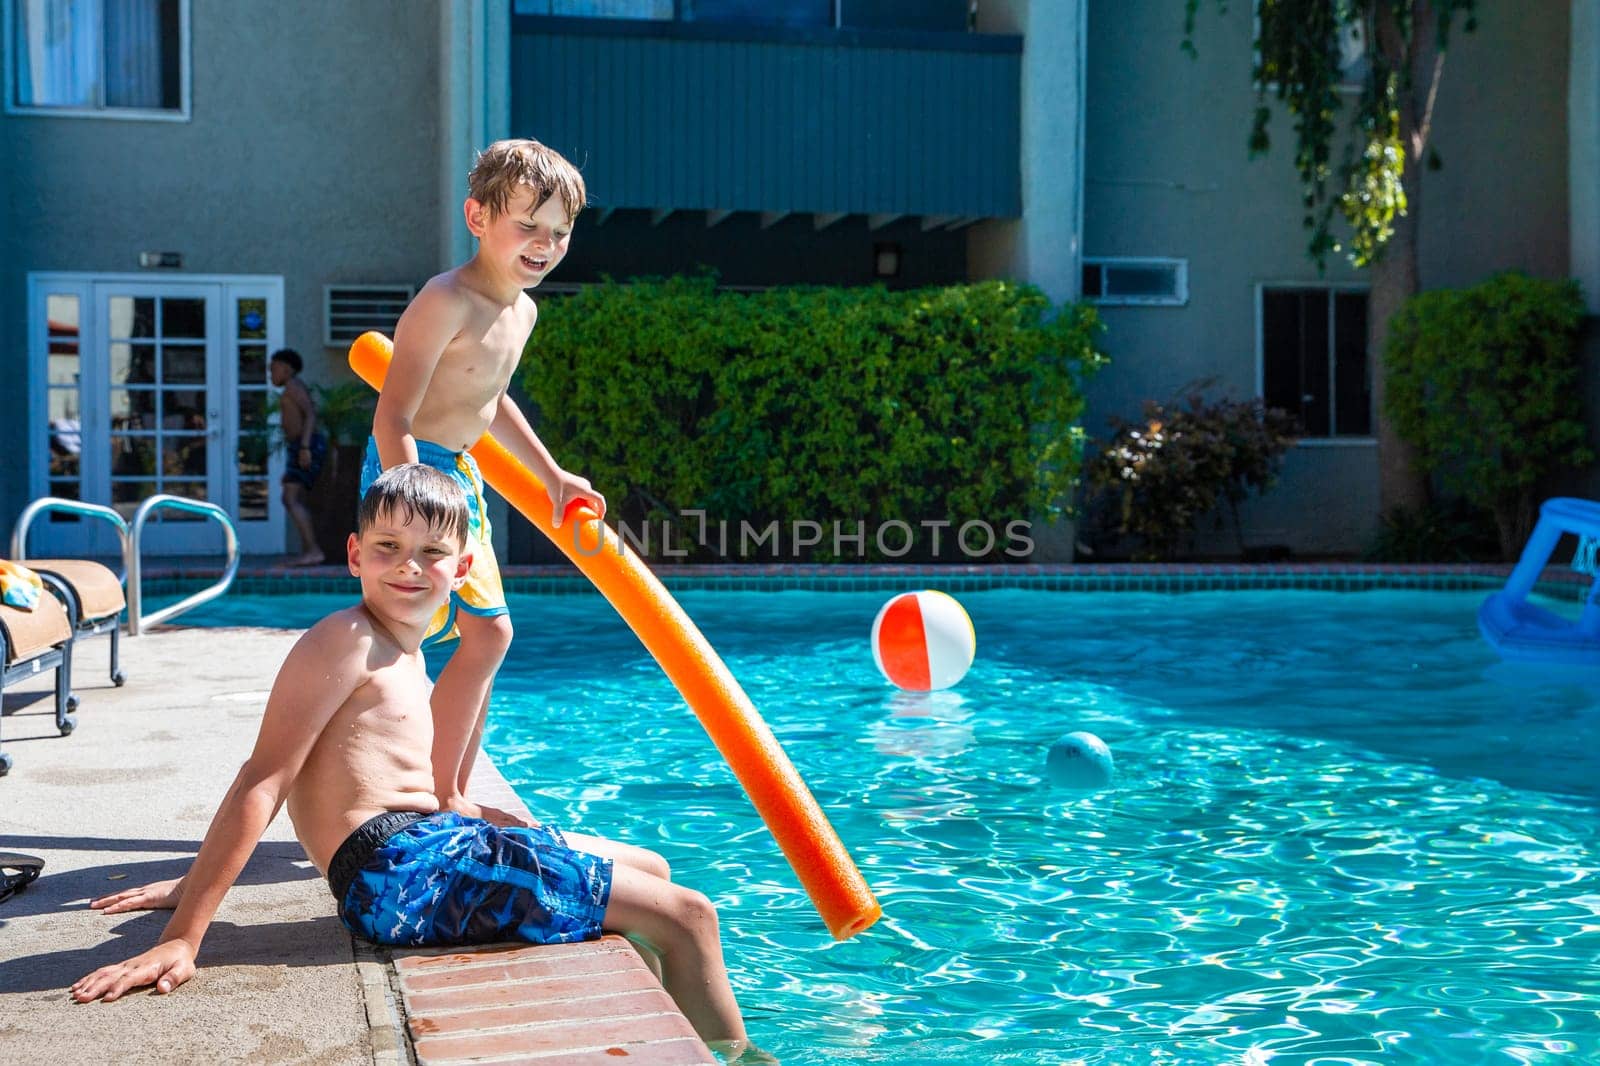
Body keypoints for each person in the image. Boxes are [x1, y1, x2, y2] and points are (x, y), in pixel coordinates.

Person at [70, 465, 757, 1059]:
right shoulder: (344, 640)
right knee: (689, 915)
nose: (408, 566)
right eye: (388, 547)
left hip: (424, 851)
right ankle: (739, 1060)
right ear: (353, 554)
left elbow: (395, 777)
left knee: (655, 872)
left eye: (432, 553)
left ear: (462, 569)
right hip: (399, 870)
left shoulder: (405, 649)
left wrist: (481, 817)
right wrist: (187, 930)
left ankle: (655, 1041)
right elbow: (266, 777)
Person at [365, 138, 605, 825]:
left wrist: (552, 476)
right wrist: (409, 503)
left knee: (486, 637)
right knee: (416, 640)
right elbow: (393, 413)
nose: (544, 243)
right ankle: (433, 792)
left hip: (458, 480)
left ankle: (450, 793)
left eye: (558, 232)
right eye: (527, 225)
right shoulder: (446, 299)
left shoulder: (521, 310)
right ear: (477, 217)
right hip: (410, 476)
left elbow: (488, 396)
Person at [270, 348, 328, 566]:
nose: (271, 374)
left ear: (286, 369)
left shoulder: (294, 386)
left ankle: (313, 550)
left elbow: (311, 413)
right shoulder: (290, 387)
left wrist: (305, 447)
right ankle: (310, 550)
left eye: (273, 369)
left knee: (290, 498)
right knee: (293, 497)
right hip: (299, 446)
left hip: (305, 445)